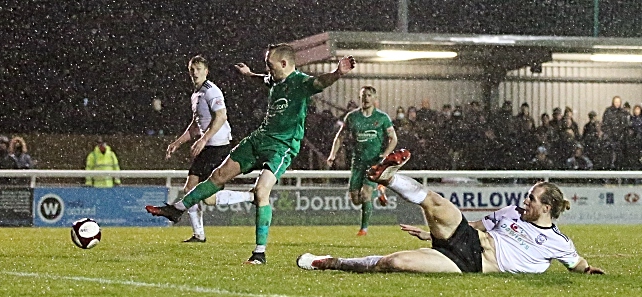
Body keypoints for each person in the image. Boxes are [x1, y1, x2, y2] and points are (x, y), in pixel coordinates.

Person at [146, 43, 356, 264]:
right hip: (259, 139)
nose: (268, 70)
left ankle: (259, 253)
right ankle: (176, 210)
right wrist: (249, 75)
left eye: (270, 65)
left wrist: (337, 73)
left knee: (261, 192)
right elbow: (263, 79)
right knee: (217, 176)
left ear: (284, 64)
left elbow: (319, 82)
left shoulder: (300, 82)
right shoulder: (275, 79)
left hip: (281, 146)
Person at [297, 149, 605, 275]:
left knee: (396, 262)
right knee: (435, 202)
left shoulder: (557, 241)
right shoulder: (510, 212)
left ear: (547, 208)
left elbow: (577, 263)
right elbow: (474, 224)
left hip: (469, 263)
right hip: (467, 237)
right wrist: (432, 229)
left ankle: (331, 262)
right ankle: (386, 176)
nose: (525, 202)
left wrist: (589, 271)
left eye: (532, 199)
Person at [160, 55, 254, 243]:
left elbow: (221, 117)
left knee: (208, 198)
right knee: (190, 189)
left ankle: (251, 196)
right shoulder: (196, 94)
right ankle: (198, 235)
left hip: (218, 147)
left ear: (206, 71)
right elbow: (196, 125)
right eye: (192, 69)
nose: (194, 72)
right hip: (207, 147)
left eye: (198, 69)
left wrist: (204, 140)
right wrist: (177, 143)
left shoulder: (212, 91)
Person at [327, 86, 398, 236]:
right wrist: (332, 154)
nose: (366, 98)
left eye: (369, 95)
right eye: (363, 95)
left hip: (374, 162)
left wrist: (384, 155)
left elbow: (393, 139)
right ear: (360, 98)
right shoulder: (352, 117)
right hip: (357, 161)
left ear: (375, 98)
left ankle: (363, 229)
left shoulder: (382, 118)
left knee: (365, 194)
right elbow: (340, 137)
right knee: (356, 199)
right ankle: (379, 191)